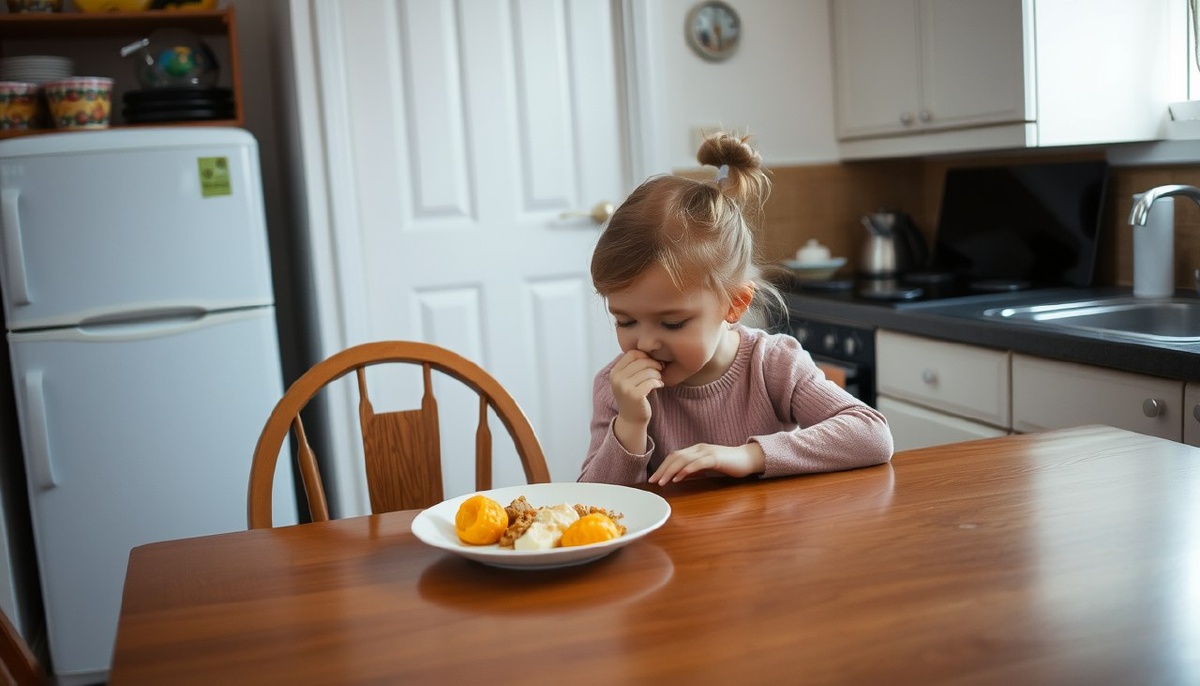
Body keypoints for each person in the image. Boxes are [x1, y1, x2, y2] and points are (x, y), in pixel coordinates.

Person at [579, 131, 893, 486]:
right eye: (625, 320)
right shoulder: (616, 387)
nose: (645, 343)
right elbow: (596, 508)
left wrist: (749, 455)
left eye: (671, 324)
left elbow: (871, 435)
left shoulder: (772, 363)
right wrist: (631, 423)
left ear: (735, 304)